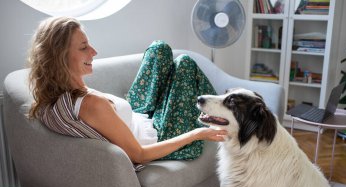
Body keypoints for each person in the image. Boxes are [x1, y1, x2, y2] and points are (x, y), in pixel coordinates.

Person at [28, 16, 227, 164]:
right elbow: (139, 154)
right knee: (184, 63)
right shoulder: (91, 105)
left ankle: (222, 104)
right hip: (159, 134)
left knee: (159, 48)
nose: (94, 52)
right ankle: (226, 110)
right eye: (83, 47)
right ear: (60, 58)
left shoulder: (66, 90)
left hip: (139, 114)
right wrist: (197, 134)